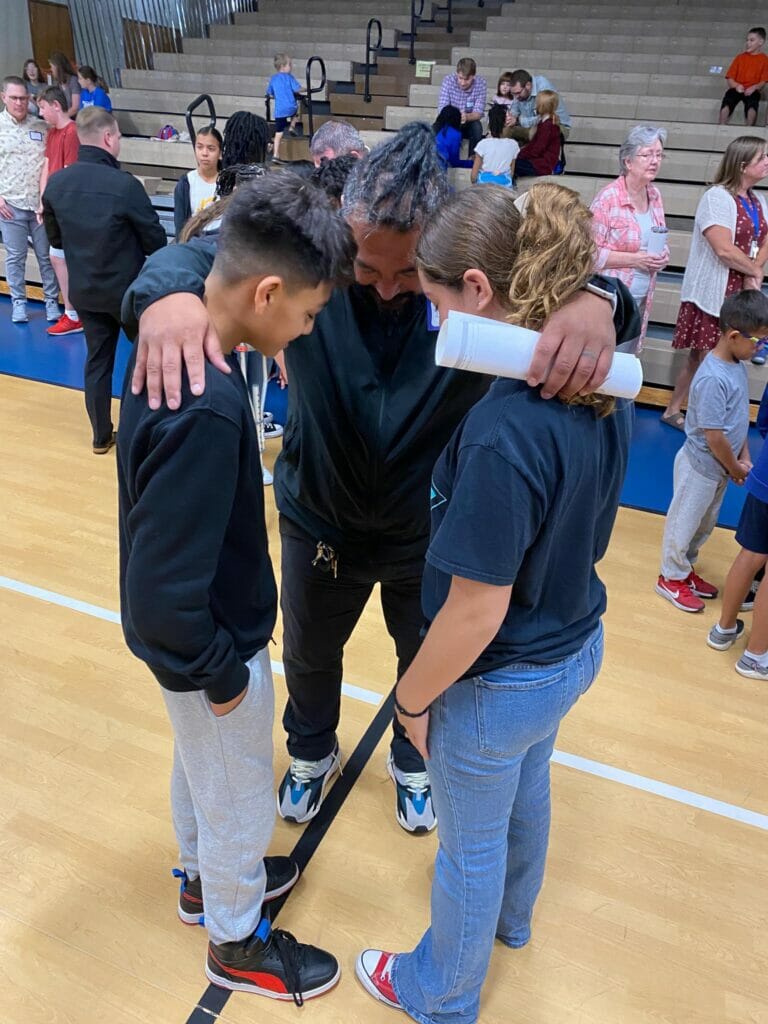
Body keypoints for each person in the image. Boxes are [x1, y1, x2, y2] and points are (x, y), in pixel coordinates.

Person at [121, 122, 634, 837]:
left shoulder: (463, 273)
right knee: (308, 655)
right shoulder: (318, 249)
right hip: (319, 516)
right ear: (345, 231)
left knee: (420, 655)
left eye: (409, 271)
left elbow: (564, 267)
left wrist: (599, 300)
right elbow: (200, 254)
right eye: (368, 269)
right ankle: (311, 750)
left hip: (425, 534)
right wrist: (166, 297)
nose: (390, 288)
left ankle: (411, 759)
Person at [354, 182, 633, 1022]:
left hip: (500, 678)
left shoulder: (504, 432)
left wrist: (410, 701)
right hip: (571, 647)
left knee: (468, 849)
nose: (433, 319)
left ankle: (439, 992)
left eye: (436, 300)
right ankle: (512, 920)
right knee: (528, 789)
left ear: (477, 289)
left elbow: (475, 614)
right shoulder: (601, 382)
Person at [119, 172, 355, 1001]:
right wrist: (225, 679)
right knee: (239, 793)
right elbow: (160, 596)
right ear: (266, 293)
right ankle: (234, 938)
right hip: (208, 645)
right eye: (308, 313)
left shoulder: (182, 344)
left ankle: (201, 878)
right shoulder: (207, 407)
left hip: (196, 639)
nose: (308, 329)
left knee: (202, 772)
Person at [42, 107, 166, 453]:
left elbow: (56, 240)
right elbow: (155, 241)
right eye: (119, 136)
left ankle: (100, 435)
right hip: (127, 293)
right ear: (109, 137)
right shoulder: (125, 186)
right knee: (144, 358)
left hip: (84, 290)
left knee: (97, 361)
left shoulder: (57, 184)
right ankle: (139, 432)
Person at [656, 290, 768, 613]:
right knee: (684, 523)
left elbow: (738, 418)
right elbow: (714, 435)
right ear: (733, 336)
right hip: (700, 467)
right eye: (758, 341)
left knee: (703, 525)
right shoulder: (712, 377)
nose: (760, 349)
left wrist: (744, 456)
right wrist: (734, 467)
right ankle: (670, 577)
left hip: (720, 467)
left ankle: (685, 568)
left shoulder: (736, 366)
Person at [662, 137, 768, 429]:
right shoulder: (717, 197)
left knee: (728, 359)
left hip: (741, 288)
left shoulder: (758, 200)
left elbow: (765, 239)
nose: (767, 162)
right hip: (714, 292)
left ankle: (706, 416)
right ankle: (678, 410)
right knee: (703, 357)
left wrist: (754, 271)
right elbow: (723, 249)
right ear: (742, 165)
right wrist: (753, 271)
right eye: (761, 158)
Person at [590, 125, 670, 353]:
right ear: (628, 161)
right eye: (647, 155)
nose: (654, 161)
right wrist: (637, 260)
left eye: (659, 155)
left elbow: (657, 237)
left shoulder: (655, 195)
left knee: (625, 360)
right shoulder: (608, 198)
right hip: (610, 300)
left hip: (642, 298)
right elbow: (589, 254)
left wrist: (663, 255)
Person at [708, 384, 768, 678]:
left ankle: (724, 629)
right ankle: (755, 657)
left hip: (764, 477)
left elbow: (764, 421)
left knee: (750, 553)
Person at [0, 75, 60, 325]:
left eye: (23, 98)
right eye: (14, 98)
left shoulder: (41, 127)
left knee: (46, 256)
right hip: (10, 204)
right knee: (15, 257)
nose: (19, 103)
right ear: (3, 97)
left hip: (39, 206)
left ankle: (51, 301)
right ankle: (18, 303)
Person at [36, 85, 82, 337]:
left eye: (43, 107)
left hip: (66, 207)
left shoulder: (72, 132)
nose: (40, 113)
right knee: (57, 257)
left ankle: (75, 314)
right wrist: (43, 201)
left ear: (56, 105)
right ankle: (73, 313)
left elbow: (68, 173)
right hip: (53, 204)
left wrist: (54, 204)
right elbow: (47, 166)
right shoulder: (52, 133)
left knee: (61, 257)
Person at [173, 125, 223, 238]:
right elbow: (180, 227)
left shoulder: (228, 182)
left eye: (211, 148)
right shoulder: (186, 182)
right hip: (194, 243)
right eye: (199, 147)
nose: (204, 153)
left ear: (220, 153)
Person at [437, 57, 487, 156]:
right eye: (460, 78)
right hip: (450, 120)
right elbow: (443, 108)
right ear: (457, 74)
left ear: (473, 76)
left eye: (467, 79)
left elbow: (478, 112)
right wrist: (456, 117)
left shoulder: (481, 84)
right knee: (436, 127)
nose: (463, 83)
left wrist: (466, 117)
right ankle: (437, 158)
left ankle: (473, 159)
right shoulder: (448, 80)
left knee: (477, 127)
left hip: (469, 121)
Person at [505, 69, 571, 143]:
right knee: (505, 129)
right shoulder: (519, 91)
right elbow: (514, 111)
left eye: (518, 93)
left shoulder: (543, 88)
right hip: (530, 126)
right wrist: (509, 119)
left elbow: (544, 119)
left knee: (537, 132)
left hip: (556, 125)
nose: (516, 97)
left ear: (528, 85)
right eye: (513, 93)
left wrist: (518, 121)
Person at [719, 27, 768, 127]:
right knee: (728, 98)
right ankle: (721, 124)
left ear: (761, 42)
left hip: (752, 89)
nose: (748, 43)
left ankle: (749, 126)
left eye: (752, 40)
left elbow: (763, 81)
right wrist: (736, 86)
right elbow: (730, 78)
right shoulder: (740, 57)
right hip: (738, 88)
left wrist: (754, 87)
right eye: (747, 40)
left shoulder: (764, 60)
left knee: (752, 103)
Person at [514, 90, 563, 179]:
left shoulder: (548, 126)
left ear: (542, 106)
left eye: (536, 103)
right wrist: (519, 153)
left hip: (542, 165)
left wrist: (519, 155)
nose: (534, 105)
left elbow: (537, 149)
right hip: (537, 162)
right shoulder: (543, 123)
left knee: (512, 164)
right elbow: (533, 145)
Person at [470, 103, 519, 186]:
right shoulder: (513, 145)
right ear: (506, 124)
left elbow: (473, 177)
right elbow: (511, 173)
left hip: (484, 188)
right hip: (505, 188)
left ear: (489, 124)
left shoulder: (482, 144)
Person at [266, 53, 303, 162]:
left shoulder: (273, 79)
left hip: (279, 110)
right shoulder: (289, 77)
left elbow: (270, 92)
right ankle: (292, 126)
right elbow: (297, 89)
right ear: (283, 66)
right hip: (290, 107)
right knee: (297, 111)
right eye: (289, 65)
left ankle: (275, 155)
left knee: (279, 133)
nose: (291, 67)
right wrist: (306, 89)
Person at [432, 105, 473, 169]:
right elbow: (454, 162)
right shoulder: (455, 134)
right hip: (439, 169)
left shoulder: (432, 129)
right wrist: (472, 163)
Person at [48, 52, 81, 118]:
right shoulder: (57, 82)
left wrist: (61, 118)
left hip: (75, 118)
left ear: (58, 67)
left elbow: (75, 108)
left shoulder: (73, 80)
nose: (50, 69)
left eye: (51, 66)